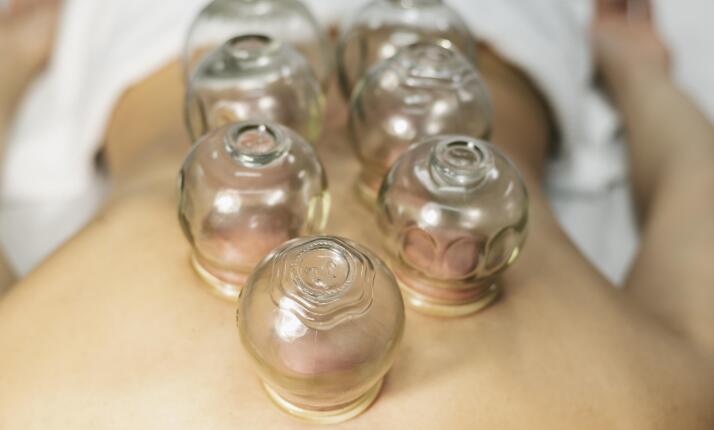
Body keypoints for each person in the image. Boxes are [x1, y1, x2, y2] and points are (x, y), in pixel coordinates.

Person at [0, 0, 712, 427]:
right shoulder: (634, 412)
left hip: (182, 33)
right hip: (471, 34)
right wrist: (640, 75)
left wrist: (17, 50)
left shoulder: (33, 400)